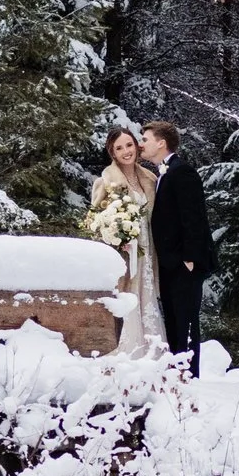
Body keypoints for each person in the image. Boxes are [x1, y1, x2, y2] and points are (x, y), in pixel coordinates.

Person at [139, 120, 216, 372]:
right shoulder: (164, 172)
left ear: (161, 143)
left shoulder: (182, 171)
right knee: (173, 320)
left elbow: (194, 216)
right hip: (171, 263)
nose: (142, 144)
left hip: (185, 263)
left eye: (146, 139)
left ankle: (188, 374)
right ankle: (177, 372)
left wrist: (189, 259)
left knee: (186, 321)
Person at [85, 125, 162, 357]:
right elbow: (94, 222)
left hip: (148, 252)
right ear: (113, 153)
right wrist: (118, 236)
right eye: (119, 148)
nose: (126, 151)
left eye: (129, 145)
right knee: (128, 297)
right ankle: (126, 353)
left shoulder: (149, 179)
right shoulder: (106, 182)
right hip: (125, 254)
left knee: (147, 299)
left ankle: (152, 353)